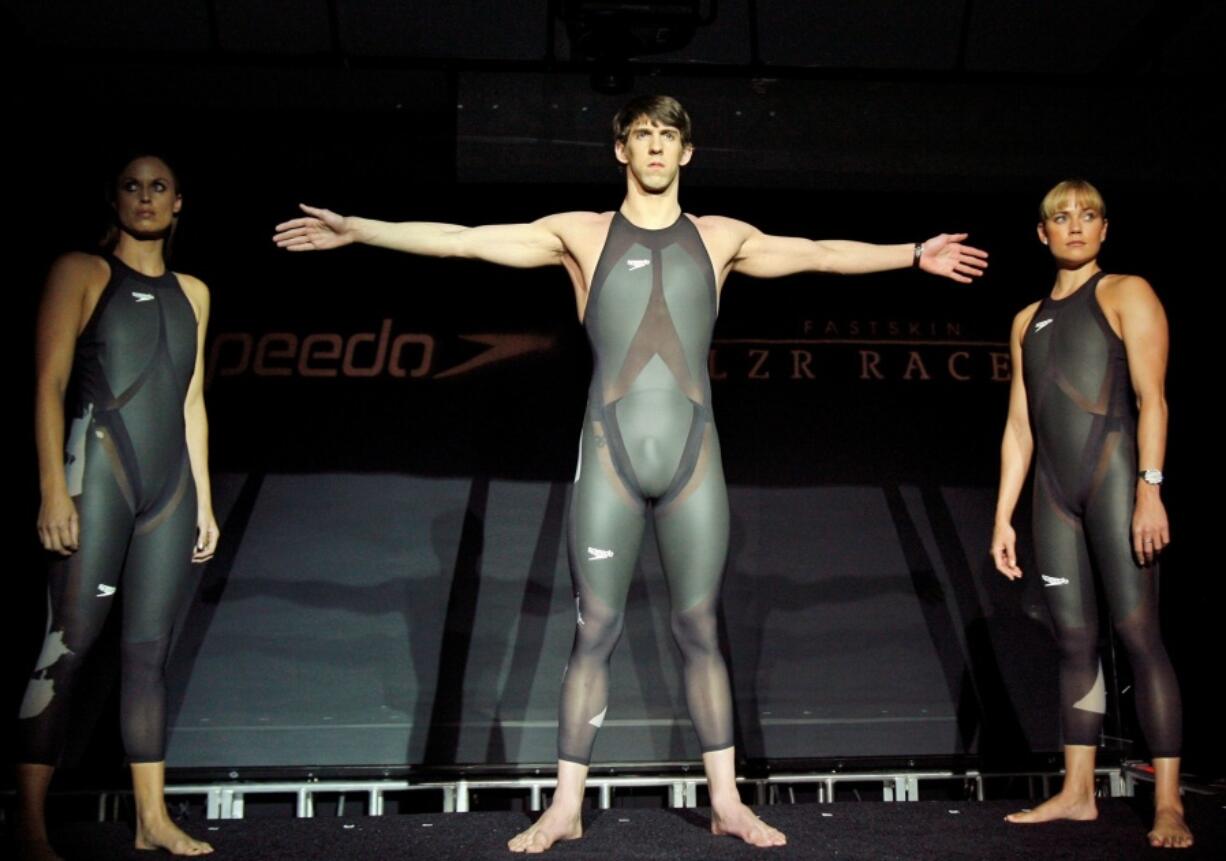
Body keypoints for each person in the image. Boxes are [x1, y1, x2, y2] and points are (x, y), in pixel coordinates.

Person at [274, 94, 987, 852]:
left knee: (699, 627)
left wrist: (914, 252)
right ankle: (565, 807)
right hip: (610, 455)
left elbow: (819, 251)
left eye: (667, 135)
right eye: (641, 134)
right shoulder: (579, 235)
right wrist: (359, 231)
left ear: (686, 152)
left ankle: (727, 803)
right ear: (621, 150)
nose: (653, 146)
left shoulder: (721, 238)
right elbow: (462, 240)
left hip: (693, 462)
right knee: (595, 630)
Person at [17, 154, 219, 860]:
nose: (145, 197)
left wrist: (206, 502)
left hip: (170, 493)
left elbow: (191, 401)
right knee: (66, 648)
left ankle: (152, 819)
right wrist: (51, 487)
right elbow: (48, 382)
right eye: (132, 186)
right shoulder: (83, 271)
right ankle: (30, 826)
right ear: (114, 198)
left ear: (179, 203)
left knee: (148, 654)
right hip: (96, 476)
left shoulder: (193, 291)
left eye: (159, 186)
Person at [990, 179, 1191, 849]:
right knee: (1074, 644)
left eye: (1089, 215)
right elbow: (1020, 427)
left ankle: (1167, 803)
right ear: (1041, 233)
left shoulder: (1127, 292)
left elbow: (1153, 398)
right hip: (1053, 496)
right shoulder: (1026, 319)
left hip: (1114, 483)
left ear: (1105, 229)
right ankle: (1078, 792)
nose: (1075, 226)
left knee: (1140, 637)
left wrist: (1150, 487)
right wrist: (1002, 516)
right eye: (1061, 217)